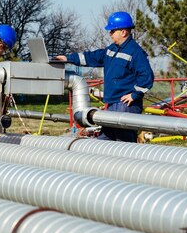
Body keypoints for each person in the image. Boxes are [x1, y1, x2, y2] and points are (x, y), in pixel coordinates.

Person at [55, 11, 153, 142]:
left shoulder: (135, 52)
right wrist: (68, 58)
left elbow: (146, 76)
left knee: (124, 144)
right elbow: (93, 57)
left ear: (123, 32)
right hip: (112, 103)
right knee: (104, 141)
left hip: (125, 105)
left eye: (112, 31)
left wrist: (134, 95)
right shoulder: (112, 49)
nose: (110, 33)